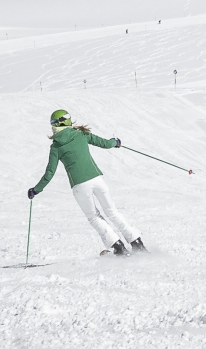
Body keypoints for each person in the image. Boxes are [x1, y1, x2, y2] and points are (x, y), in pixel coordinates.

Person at [29, 108, 146, 254]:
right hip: (97, 179)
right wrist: (115, 142)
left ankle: (118, 248)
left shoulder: (56, 146)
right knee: (112, 212)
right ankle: (137, 243)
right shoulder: (81, 134)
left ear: (54, 125)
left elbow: (49, 173)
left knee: (94, 217)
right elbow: (105, 143)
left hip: (80, 186)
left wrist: (36, 190)